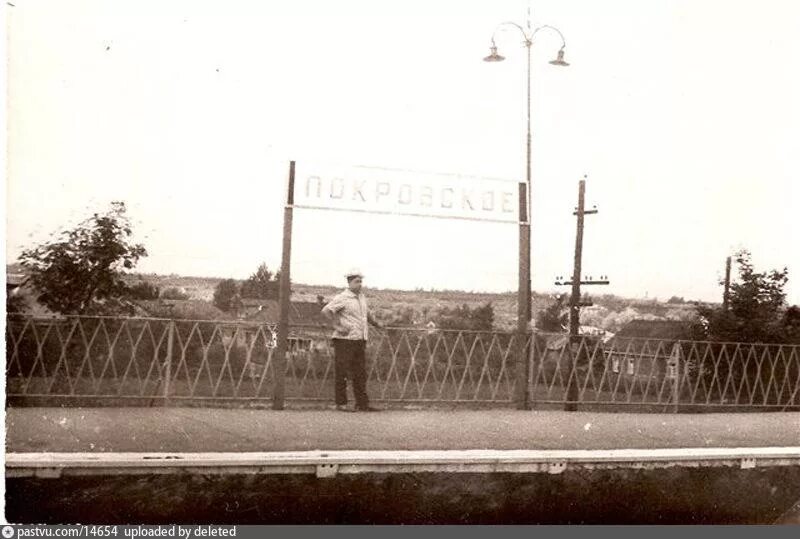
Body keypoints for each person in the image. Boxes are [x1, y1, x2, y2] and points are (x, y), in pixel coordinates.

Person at [321, 268, 382, 412]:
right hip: (344, 340)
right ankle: (341, 404)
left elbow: (366, 314)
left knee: (360, 373)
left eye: (361, 281)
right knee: (342, 372)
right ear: (349, 282)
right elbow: (326, 311)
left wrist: (377, 324)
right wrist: (337, 325)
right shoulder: (343, 297)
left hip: (359, 339)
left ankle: (362, 404)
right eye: (357, 281)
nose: (360, 284)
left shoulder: (361, 297)